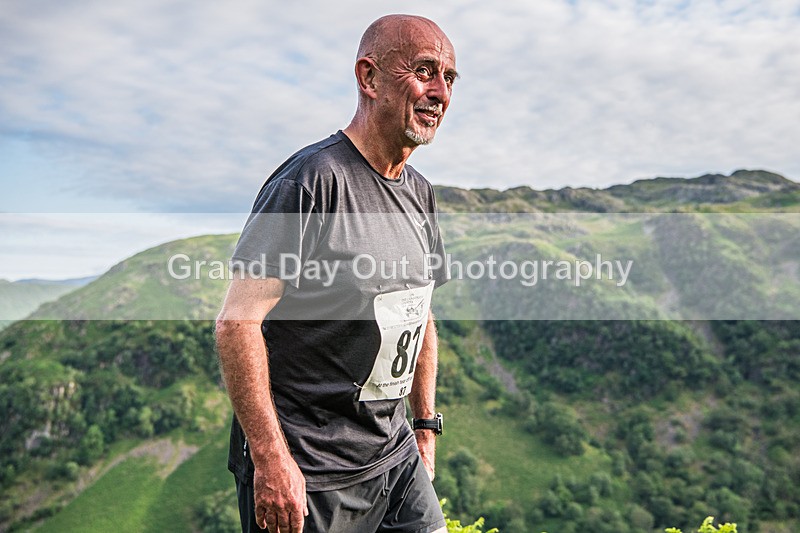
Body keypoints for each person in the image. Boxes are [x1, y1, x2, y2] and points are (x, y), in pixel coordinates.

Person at [215, 14, 457, 533]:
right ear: (369, 79)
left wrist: (424, 424)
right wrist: (271, 460)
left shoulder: (420, 192)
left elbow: (421, 310)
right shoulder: (310, 182)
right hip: (313, 470)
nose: (439, 91)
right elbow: (237, 323)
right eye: (423, 70)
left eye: (449, 77)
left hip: (394, 456)